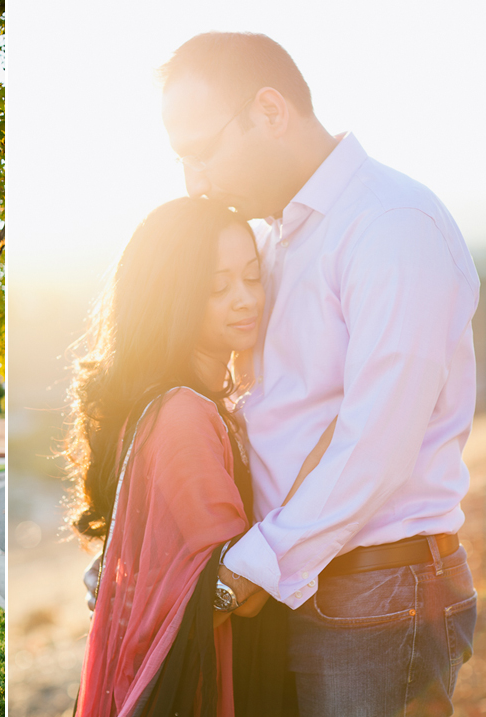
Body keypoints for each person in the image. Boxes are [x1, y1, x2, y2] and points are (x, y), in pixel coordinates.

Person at [158, 32, 478, 715]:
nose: (196, 181)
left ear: (270, 112)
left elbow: (377, 441)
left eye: (202, 150)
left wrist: (240, 574)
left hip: (376, 600)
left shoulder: (389, 225)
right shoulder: (277, 238)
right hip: (297, 584)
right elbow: (271, 418)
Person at [69, 197, 272, 716]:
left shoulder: (167, 401)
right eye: (217, 288)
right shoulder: (185, 414)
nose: (246, 300)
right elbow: (239, 591)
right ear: (172, 298)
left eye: (253, 277)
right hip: (200, 683)